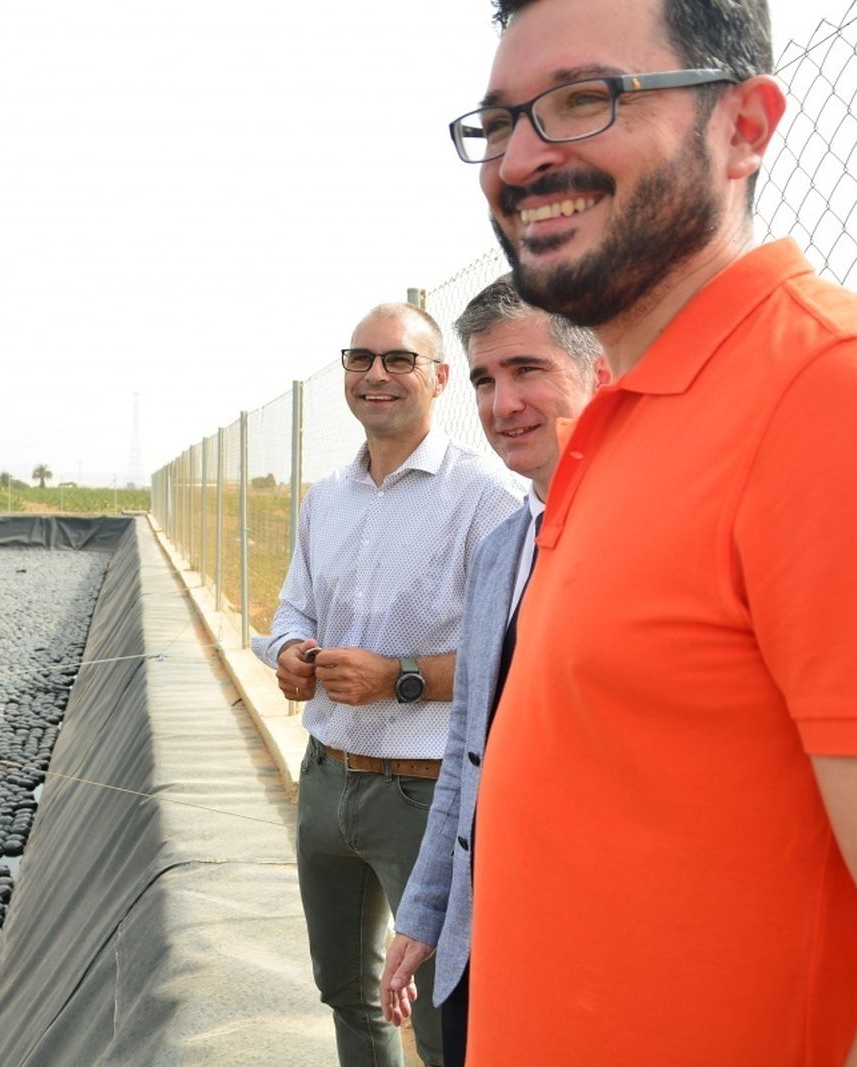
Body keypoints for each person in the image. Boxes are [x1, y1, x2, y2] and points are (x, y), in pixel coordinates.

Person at [444, 0, 857, 1064]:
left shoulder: (847, 400)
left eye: (584, 99)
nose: (521, 159)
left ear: (745, 126)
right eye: (498, 123)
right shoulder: (619, 425)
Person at [253, 301, 519, 1066]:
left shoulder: (485, 498)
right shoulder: (325, 498)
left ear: (440, 378)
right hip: (326, 776)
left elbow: (512, 656)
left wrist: (398, 677)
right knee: (346, 989)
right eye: (360, 358)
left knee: (440, 1015)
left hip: (425, 795)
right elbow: (294, 607)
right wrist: (292, 651)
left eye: (399, 359)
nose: (376, 374)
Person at [376, 276, 608, 1067]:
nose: (502, 403)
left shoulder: (646, 540)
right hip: (487, 941)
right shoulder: (501, 548)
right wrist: (425, 912)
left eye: (528, 370)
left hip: (595, 957)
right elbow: (465, 755)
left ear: (599, 371)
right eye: (483, 379)